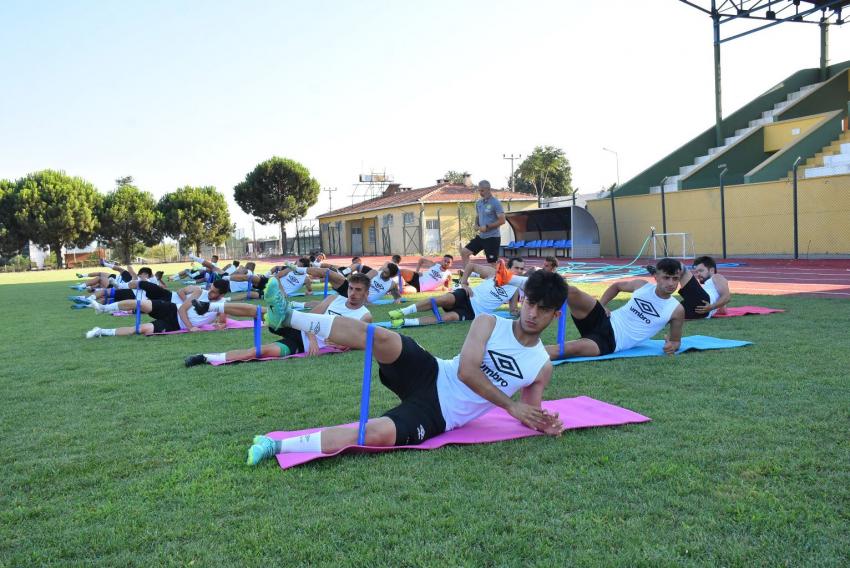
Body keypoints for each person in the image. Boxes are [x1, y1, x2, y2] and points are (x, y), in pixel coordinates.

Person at [246, 269, 568, 465]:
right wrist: (511, 406)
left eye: (543, 309)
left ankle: (275, 445)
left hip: (441, 415)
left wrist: (543, 422)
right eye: (529, 303)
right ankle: (287, 317)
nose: (532, 313)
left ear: (554, 315)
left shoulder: (541, 366)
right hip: (432, 372)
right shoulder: (488, 322)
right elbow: (466, 371)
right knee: (382, 337)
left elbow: (530, 412)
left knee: (373, 434)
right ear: (522, 299)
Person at [184, 273, 373, 366]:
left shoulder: (365, 315)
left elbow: (358, 340)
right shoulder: (333, 299)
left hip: (300, 345)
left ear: (366, 293)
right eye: (351, 289)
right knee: (262, 311)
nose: (353, 294)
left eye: (358, 290)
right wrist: (314, 337)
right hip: (302, 330)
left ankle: (205, 357)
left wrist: (344, 343)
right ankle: (210, 306)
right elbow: (310, 317)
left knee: (257, 352)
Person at [545, 258, 685, 360]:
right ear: (656, 277)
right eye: (666, 278)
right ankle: (530, 290)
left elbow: (676, 341)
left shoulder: (676, 309)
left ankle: (524, 354)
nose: (671, 283)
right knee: (571, 291)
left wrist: (672, 346)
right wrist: (602, 304)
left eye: (675, 278)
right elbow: (616, 286)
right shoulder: (641, 285)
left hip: (611, 341)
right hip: (603, 319)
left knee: (560, 351)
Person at [387, 258, 525, 327]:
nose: (519, 271)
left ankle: (404, 321)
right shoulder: (493, 273)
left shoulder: (514, 291)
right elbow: (470, 265)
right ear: (508, 268)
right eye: (517, 268)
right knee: (442, 300)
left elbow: (513, 311)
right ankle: (402, 312)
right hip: (466, 297)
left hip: (474, 313)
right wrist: (464, 283)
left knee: (446, 318)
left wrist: (518, 312)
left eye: (521, 269)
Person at [83, 279, 232, 337]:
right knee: (142, 303)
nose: (210, 292)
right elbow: (182, 310)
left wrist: (220, 324)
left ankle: (100, 331)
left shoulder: (222, 304)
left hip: (173, 324)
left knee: (141, 329)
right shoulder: (200, 292)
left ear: (222, 294)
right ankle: (103, 308)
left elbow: (222, 322)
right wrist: (190, 327)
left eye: (214, 292)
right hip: (172, 309)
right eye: (211, 289)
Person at [304, 262, 401, 304]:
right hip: (351, 290)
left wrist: (397, 300)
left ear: (391, 276)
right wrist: (366, 301)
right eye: (384, 270)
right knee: (327, 272)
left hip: (356, 298)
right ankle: (301, 270)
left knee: (327, 302)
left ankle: (297, 304)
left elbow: (397, 297)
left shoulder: (392, 284)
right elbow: (361, 284)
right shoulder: (375, 272)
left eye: (386, 273)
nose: (383, 273)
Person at [460, 180, 505, 267]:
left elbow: (502, 220)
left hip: (492, 238)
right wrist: (476, 224)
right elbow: (478, 216)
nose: (480, 193)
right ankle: (466, 276)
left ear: (488, 189)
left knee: (492, 263)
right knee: (464, 252)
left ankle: (496, 280)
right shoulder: (479, 203)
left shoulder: (496, 203)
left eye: (482, 191)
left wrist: (487, 226)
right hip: (481, 237)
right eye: (479, 190)